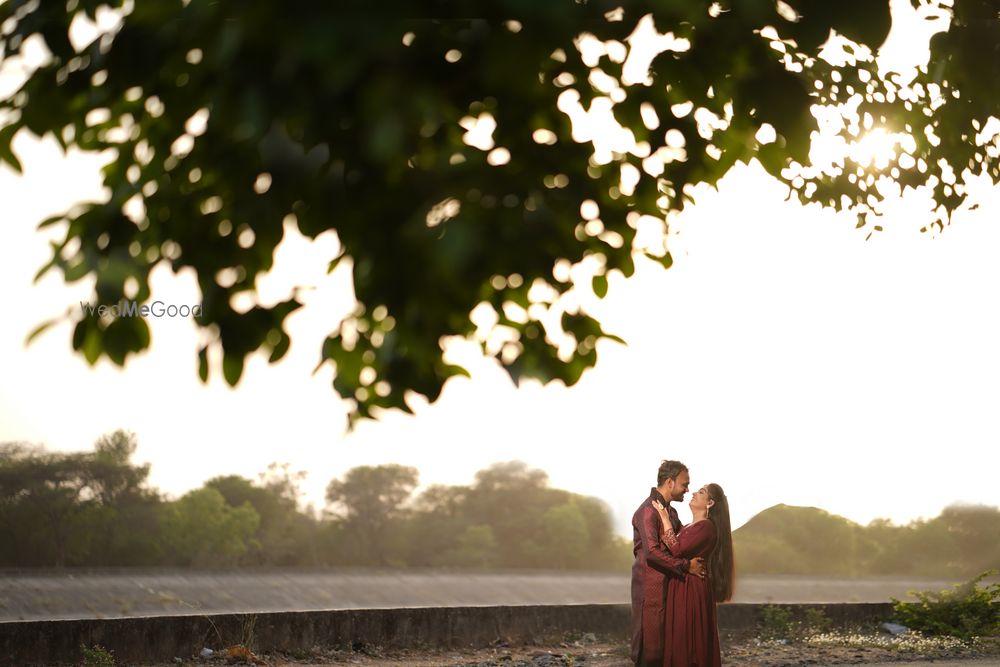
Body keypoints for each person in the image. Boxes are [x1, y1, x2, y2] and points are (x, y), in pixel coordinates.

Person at [631, 460, 706, 667]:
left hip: (669, 585)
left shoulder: (670, 513)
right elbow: (652, 553)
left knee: (666, 648)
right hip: (651, 587)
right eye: (685, 484)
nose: (688, 489)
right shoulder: (647, 511)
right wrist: (686, 566)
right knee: (650, 649)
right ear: (670, 482)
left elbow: (681, 542)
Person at [651, 483, 735, 667]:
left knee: (688, 640)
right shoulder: (689, 526)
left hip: (691, 588)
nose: (695, 493)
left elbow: (676, 549)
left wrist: (665, 519)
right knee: (679, 637)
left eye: (701, 492)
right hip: (682, 584)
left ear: (710, 503)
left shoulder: (706, 527)